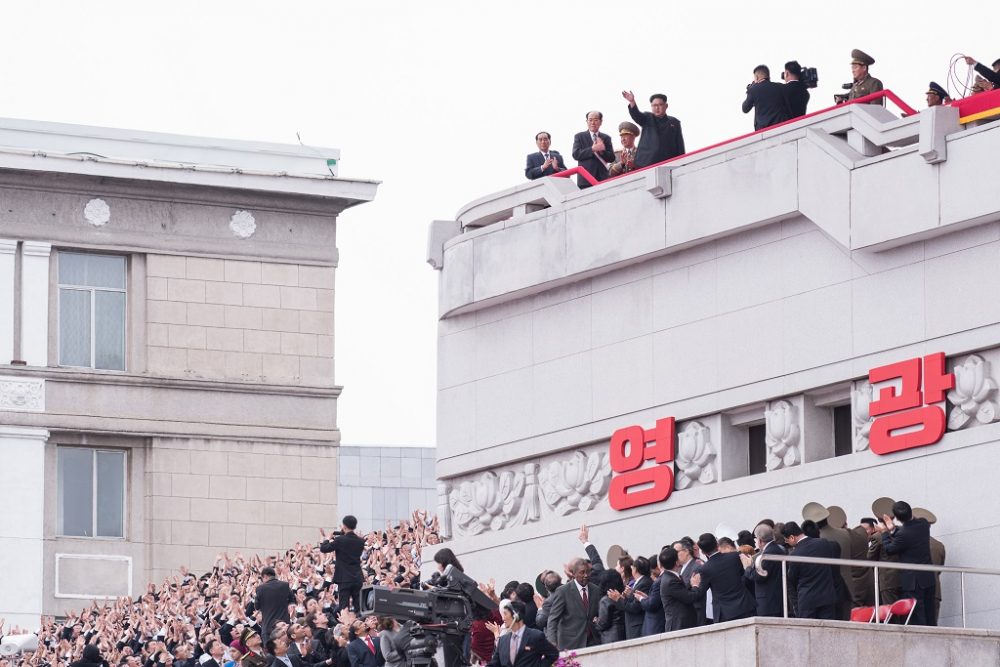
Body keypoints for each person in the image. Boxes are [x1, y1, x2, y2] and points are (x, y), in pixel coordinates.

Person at [879, 500, 936, 626]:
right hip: (928, 577)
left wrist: (884, 533)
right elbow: (906, 537)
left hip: (913, 582)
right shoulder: (923, 524)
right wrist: (893, 529)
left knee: (917, 616)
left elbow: (890, 549)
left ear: (897, 518)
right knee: (930, 613)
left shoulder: (904, 534)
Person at [689, 533, 755, 623]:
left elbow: (700, 593)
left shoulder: (705, 569)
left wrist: (695, 585)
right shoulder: (735, 556)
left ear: (703, 552)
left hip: (725, 614)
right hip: (745, 606)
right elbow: (746, 576)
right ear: (717, 545)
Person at [781, 522, 837, 620]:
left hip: (807, 601)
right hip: (827, 597)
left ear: (792, 537)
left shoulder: (795, 555)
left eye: (786, 541)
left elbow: (792, 580)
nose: (788, 544)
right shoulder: (823, 543)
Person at [543, 559, 601, 650]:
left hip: (593, 641)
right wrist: (552, 642)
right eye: (582, 572)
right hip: (571, 643)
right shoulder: (563, 591)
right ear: (573, 574)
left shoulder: (596, 590)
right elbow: (553, 619)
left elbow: (599, 614)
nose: (586, 575)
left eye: (588, 572)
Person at [487, 600, 559, 667]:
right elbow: (494, 664)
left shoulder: (535, 636)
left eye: (505, 614)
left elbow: (553, 654)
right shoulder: (502, 640)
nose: (503, 618)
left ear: (516, 615)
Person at [621, 91, 685, 167]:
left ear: (666, 106)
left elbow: (679, 145)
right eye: (654, 105)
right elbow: (636, 115)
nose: (657, 108)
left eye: (660, 105)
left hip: (668, 163)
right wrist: (632, 101)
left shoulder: (674, 122)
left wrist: (682, 163)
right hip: (646, 163)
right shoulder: (647, 117)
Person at [319, 516, 365, 614]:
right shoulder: (361, 541)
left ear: (344, 526)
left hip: (344, 578)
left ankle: (347, 626)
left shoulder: (340, 540)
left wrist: (327, 538)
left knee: (344, 606)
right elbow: (349, 541)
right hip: (357, 577)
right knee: (359, 606)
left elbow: (324, 548)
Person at [744, 524, 786, 617]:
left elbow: (759, 576)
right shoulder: (778, 549)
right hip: (777, 600)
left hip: (769, 603)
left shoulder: (768, 554)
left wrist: (747, 567)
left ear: (759, 540)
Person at [571, 112, 616, 188]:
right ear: (587, 121)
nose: (593, 123)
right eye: (590, 120)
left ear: (601, 122)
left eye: (595, 120)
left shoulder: (606, 138)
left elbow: (612, 158)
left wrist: (602, 151)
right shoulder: (579, 136)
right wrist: (592, 149)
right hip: (586, 179)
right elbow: (576, 154)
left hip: (602, 178)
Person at [658, 548, 699, 631]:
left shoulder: (671, 576)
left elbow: (681, 592)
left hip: (682, 624)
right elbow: (689, 598)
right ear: (676, 562)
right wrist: (695, 585)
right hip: (679, 625)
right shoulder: (670, 581)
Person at [742, 64, 791, 130]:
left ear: (756, 77)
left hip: (762, 130)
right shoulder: (781, 87)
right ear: (768, 76)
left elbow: (745, 109)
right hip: (781, 127)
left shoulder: (753, 90)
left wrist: (750, 90)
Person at [255, 568, 293, 649]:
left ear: (264, 576)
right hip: (284, 625)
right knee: (289, 652)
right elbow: (292, 600)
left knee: (271, 655)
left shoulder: (260, 588)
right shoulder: (285, 585)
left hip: (268, 626)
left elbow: (256, 607)